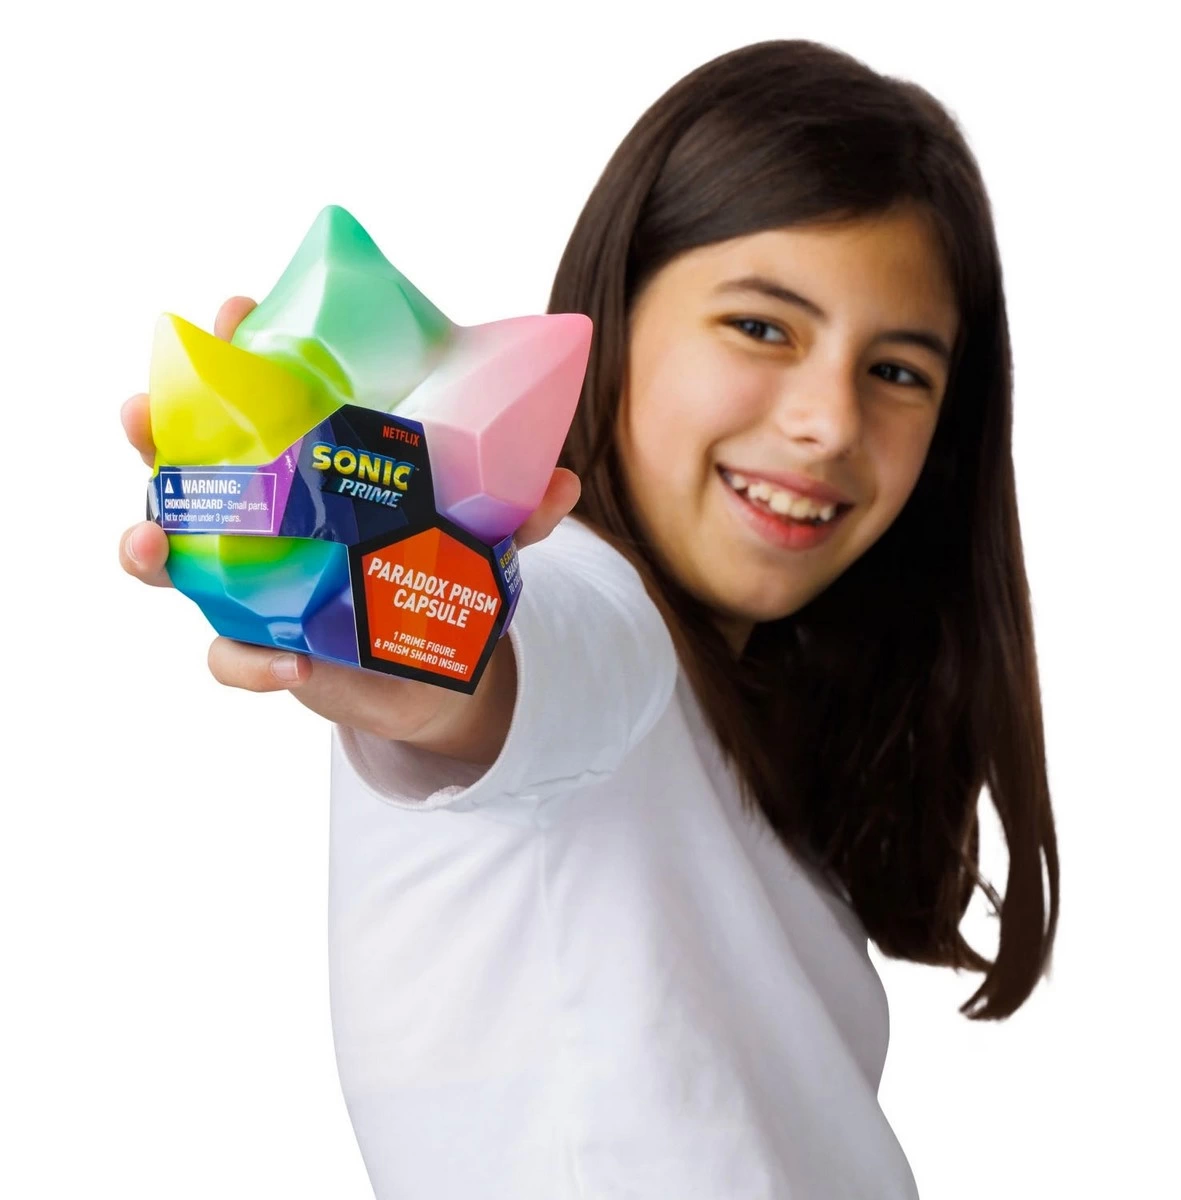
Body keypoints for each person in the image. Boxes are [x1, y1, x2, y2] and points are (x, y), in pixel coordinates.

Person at [119, 38, 1059, 1200]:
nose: (828, 421)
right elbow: (532, 668)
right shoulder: (587, 598)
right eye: (763, 327)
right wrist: (415, 648)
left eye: (900, 371)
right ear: (611, 318)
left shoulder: (757, 756)